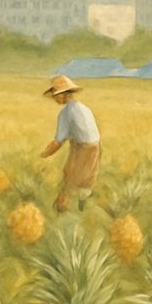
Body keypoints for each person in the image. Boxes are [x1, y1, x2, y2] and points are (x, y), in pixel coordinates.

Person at [38, 74, 101, 212]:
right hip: (95, 148)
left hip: (81, 149)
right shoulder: (84, 108)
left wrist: (44, 154)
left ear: (63, 94)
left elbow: (58, 140)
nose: (54, 98)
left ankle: (61, 212)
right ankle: (82, 210)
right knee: (86, 182)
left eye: (55, 95)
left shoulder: (66, 112)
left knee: (69, 183)